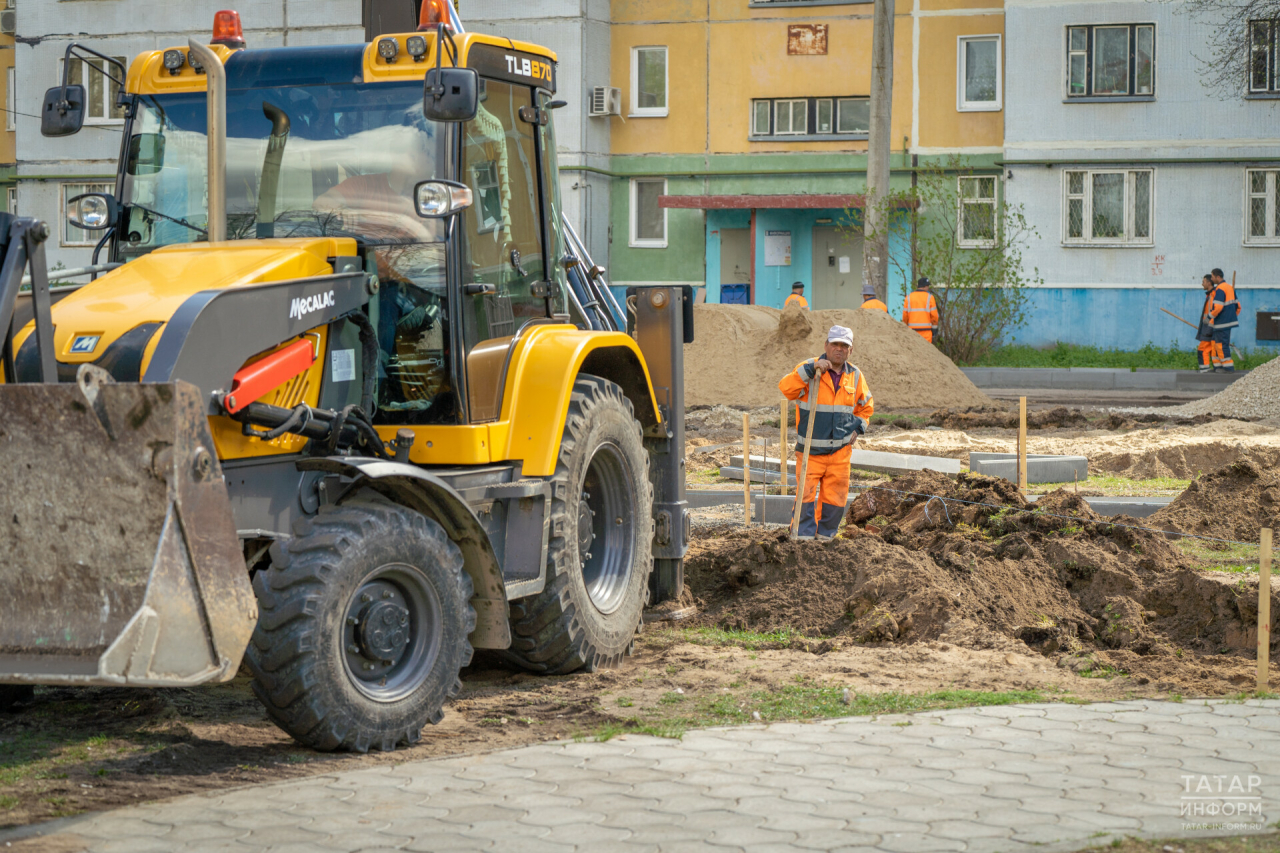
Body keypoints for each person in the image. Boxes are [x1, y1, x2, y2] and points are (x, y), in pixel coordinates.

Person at [778, 325, 875, 539]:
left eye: (844, 346)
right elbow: (786, 388)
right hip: (810, 452)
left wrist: (858, 428)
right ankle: (801, 540)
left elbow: (866, 407)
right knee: (805, 498)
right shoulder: (810, 369)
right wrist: (811, 369)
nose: (839, 349)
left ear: (851, 350)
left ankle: (825, 542)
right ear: (826, 345)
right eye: (835, 344)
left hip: (840, 454)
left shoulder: (856, 376)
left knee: (835, 501)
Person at [1206, 268, 1241, 373]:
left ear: (1217, 277)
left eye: (1212, 277)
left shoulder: (1220, 289)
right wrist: (1231, 317)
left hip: (1221, 323)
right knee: (1216, 344)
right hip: (1223, 322)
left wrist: (1209, 317)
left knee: (1221, 345)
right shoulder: (1229, 288)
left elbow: (1218, 308)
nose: (1211, 279)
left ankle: (1228, 368)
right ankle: (1218, 367)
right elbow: (1238, 307)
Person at [902, 276, 939, 342]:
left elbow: (905, 316)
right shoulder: (930, 297)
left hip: (912, 331)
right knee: (926, 351)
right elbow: (934, 316)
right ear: (925, 286)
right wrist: (934, 329)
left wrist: (905, 327)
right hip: (926, 332)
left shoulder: (908, 297)